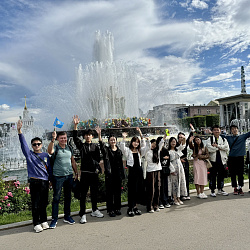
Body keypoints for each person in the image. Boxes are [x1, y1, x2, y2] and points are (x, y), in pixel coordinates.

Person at [17, 120, 51, 233]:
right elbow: (23, 145)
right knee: (35, 203)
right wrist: (19, 131)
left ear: (41, 145)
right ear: (32, 146)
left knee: (44, 203)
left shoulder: (46, 155)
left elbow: (49, 169)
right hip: (34, 182)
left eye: (38, 144)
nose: (36, 146)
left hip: (44, 182)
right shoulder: (29, 155)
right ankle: (36, 223)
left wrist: (50, 180)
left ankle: (44, 221)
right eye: (34, 144)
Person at [73, 115, 104, 224]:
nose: (88, 136)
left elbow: (99, 157)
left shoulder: (95, 147)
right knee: (83, 195)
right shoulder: (82, 146)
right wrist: (75, 126)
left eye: (90, 135)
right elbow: (75, 138)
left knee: (94, 193)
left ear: (92, 136)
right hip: (85, 174)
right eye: (86, 135)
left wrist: (100, 135)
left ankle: (94, 210)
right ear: (84, 136)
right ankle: (83, 214)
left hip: (93, 173)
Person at [47, 130, 78, 229]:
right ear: (58, 139)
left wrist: (76, 172)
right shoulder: (56, 148)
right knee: (56, 198)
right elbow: (49, 151)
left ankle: (67, 216)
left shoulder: (69, 148)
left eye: (65, 138)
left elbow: (72, 161)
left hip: (69, 176)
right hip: (58, 177)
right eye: (61, 138)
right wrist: (52, 139)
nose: (63, 139)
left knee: (68, 197)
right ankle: (54, 219)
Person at [95, 126, 125, 217]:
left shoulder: (119, 151)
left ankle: (117, 208)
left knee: (117, 192)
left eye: (114, 140)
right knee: (110, 192)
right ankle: (110, 210)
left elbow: (121, 163)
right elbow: (101, 145)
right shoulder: (107, 150)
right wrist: (99, 135)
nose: (113, 141)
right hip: (110, 174)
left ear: (116, 141)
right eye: (111, 140)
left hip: (117, 174)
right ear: (109, 141)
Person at [120, 127, 147, 216]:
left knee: (138, 190)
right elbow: (122, 147)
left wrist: (140, 133)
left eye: (137, 142)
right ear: (131, 142)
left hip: (139, 171)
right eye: (134, 141)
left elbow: (145, 145)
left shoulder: (140, 151)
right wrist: (124, 138)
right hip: (132, 172)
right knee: (131, 190)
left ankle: (135, 207)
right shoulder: (128, 151)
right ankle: (130, 208)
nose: (136, 143)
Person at [222, 119, 250, 195]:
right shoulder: (228, 137)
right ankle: (235, 187)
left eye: (235, 129)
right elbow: (219, 135)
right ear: (231, 131)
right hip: (231, 158)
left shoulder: (243, 137)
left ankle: (240, 187)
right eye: (232, 129)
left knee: (240, 173)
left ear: (238, 129)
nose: (234, 130)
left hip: (240, 157)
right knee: (233, 173)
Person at [207, 125, 229, 197]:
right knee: (213, 176)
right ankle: (212, 190)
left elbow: (226, 148)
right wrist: (218, 148)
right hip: (213, 160)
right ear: (212, 131)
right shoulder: (209, 139)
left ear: (220, 130)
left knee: (221, 175)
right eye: (215, 130)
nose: (216, 131)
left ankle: (220, 189)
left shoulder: (223, 139)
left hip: (222, 160)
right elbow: (209, 149)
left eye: (218, 130)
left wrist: (217, 146)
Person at [145, 136, 165, 213]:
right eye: (152, 143)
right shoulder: (147, 151)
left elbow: (161, 142)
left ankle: (156, 205)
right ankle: (149, 206)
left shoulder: (157, 151)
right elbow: (146, 146)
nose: (153, 145)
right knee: (151, 189)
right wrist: (147, 141)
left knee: (157, 188)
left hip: (158, 170)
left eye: (154, 144)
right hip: (150, 171)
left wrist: (165, 136)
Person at [168, 137, 187, 205]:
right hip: (173, 168)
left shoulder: (177, 150)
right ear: (170, 143)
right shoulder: (168, 152)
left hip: (180, 167)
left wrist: (183, 138)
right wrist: (172, 170)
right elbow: (168, 162)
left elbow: (183, 145)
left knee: (180, 182)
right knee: (174, 183)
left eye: (175, 141)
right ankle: (175, 198)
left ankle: (179, 198)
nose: (173, 143)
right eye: (172, 141)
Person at [178, 132, 192, 201]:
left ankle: (187, 193)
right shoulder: (176, 145)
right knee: (180, 179)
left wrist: (192, 130)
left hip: (185, 162)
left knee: (186, 178)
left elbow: (190, 136)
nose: (181, 139)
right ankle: (181, 195)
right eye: (180, 137)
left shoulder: (185, 144)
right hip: (178, 163)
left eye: (182, 137)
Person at [159, 139, 171, 209]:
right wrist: (163, 158)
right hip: (159, 170)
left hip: (165, 170)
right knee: (160, 186)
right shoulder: (157, 151)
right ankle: (160, 201)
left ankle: (165, 200)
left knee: (165, 186)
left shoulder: (165, 150)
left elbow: (168, 159)